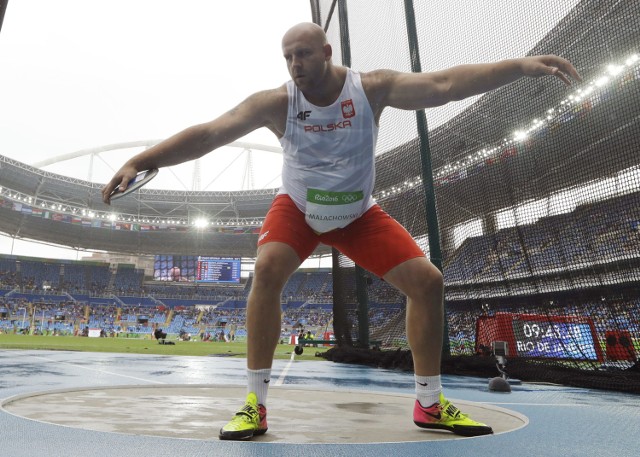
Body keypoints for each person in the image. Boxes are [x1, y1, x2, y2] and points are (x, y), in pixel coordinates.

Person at [101, 22, 581, 441]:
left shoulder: (371, 88)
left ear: (327, 53)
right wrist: (143, 160)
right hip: (299, 208)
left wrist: (519, 65)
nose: (295, 64)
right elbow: (209, 134)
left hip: (357, 213)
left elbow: (444, 83)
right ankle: (254, 405)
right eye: (288, 56)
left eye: (303, 53)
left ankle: (429, 403)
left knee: (429, 282)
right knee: (266, 269)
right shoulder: (276, 103)